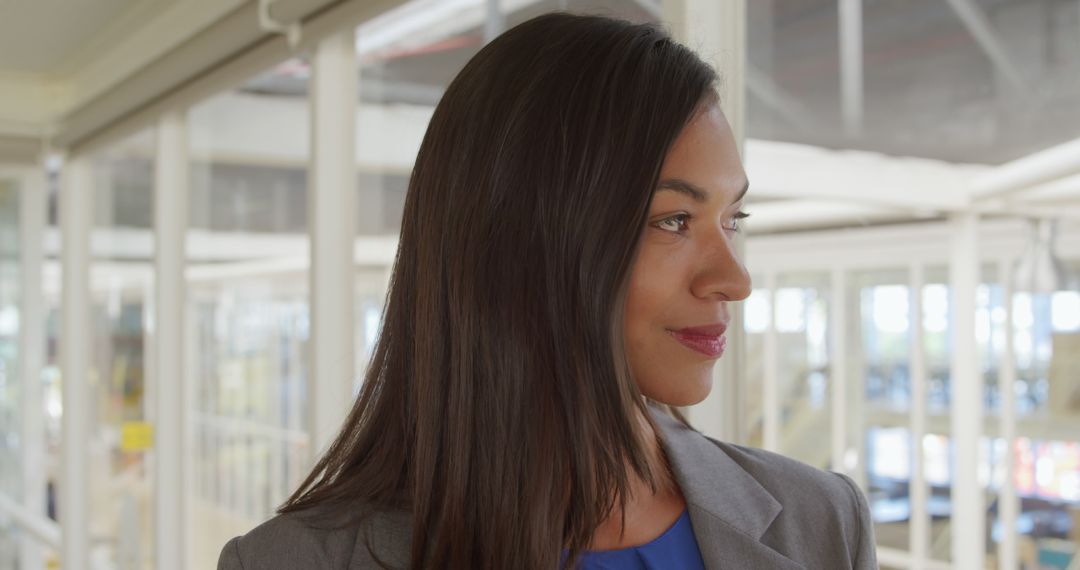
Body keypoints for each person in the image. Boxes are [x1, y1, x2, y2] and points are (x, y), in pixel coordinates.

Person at [218, 12, 877, 570]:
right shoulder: (289, 561)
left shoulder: (822, 524)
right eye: (674, 221)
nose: (734, 279)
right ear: (525, 241)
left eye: (733, 219)